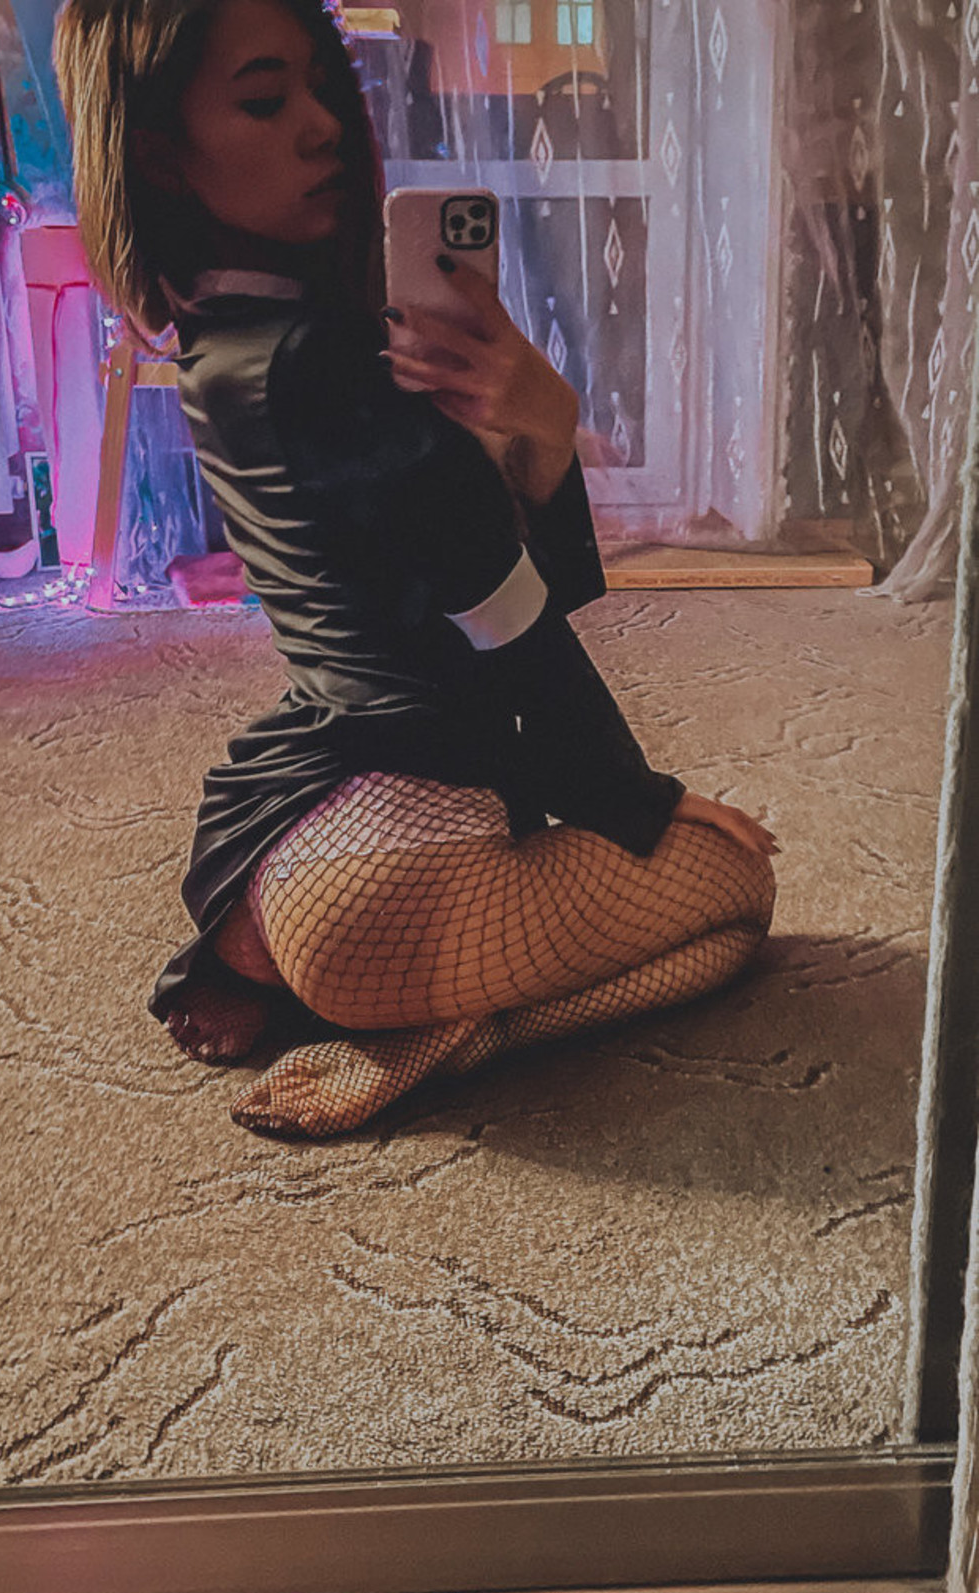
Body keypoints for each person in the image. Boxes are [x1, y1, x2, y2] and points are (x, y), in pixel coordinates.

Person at [53, 0, 779, 1140]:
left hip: (292, 841)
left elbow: (425, 591)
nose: (321, 125)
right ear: (161, 156)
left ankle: (300, 972)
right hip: (389, 888)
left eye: (319, 87)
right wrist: (644, 801)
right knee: (738, 901)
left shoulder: (222, 340)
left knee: (616, 867)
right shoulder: (329, 364)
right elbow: (513, 624)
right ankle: (450, 1036)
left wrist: (537, 431)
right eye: (264, 100)